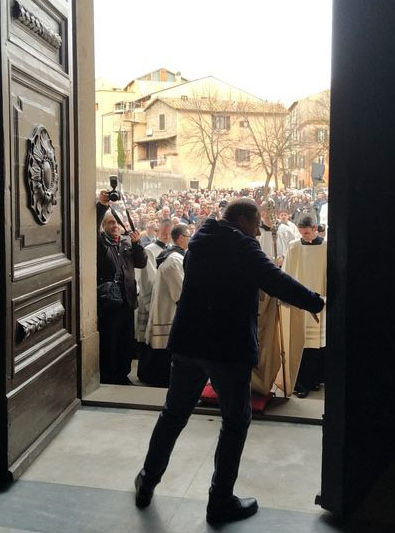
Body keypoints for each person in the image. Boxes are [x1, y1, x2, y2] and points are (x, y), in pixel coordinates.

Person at [134, 199, 325, 524]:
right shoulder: (242, 247)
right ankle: (220, 500)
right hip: (227, 347)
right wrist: (315, 302)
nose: (258, 231)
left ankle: (147, 480)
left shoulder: (200, 240)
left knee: (173, 414)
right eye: (256, 224)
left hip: (189, 342)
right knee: (235, 421)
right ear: (243, 221)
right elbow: (275, 280)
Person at [96, 191, 147, 384]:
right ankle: (109, 375)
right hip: (110, 302)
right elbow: (92, 227)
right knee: (110, 340)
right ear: (104, 226)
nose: (115, 226)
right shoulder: (101, 243)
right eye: (110, 223)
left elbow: (141, 263)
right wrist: (102, 206)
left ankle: (122, 374)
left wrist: (137, 244)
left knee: (126, 340)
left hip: (127, 300)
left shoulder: (126, 243)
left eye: (117, 223)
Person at [282, 215, 327, 398]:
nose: (304, 236)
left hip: (321, 300)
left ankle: (316, 379)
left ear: (315, 228)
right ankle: (301, 383)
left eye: (307, 233)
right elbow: (286, 274)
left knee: (318, 345)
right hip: (300, 303)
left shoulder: (326, 247)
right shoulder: (294, 246)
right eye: (301, 233)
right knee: (302, 344)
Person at [140, 224, 190, 387]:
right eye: (188, 236)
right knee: (162, 350)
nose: (190, 239)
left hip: (166, 308)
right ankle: (157, 378)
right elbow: (180, 291)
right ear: (181, 238)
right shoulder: (174, 259)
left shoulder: (175, 256)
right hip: (168, 311)